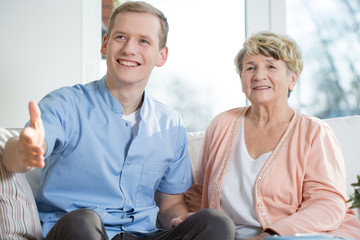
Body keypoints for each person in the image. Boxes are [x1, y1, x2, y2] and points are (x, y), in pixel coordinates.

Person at [3, 1, 235, 240]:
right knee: (83, 220)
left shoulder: (170, 123)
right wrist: (23, 151)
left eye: (143, 41)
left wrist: (177, 219)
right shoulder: (66, 104)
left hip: (143, 234)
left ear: (161, 55)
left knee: (216, 224)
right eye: (121, 37)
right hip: (78, 232)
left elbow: (170, 205)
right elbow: (13, 158)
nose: (129, 49)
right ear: (105, 44)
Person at [185, 31, 360, 240]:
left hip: (295, 236)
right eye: (250, 67)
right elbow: (198, 192)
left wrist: (269, 236)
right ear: (242, 80)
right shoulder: (222, 124)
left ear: (292, 79)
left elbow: (327, 204)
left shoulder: (314, 132)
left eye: (271, 66)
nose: (259, 75)